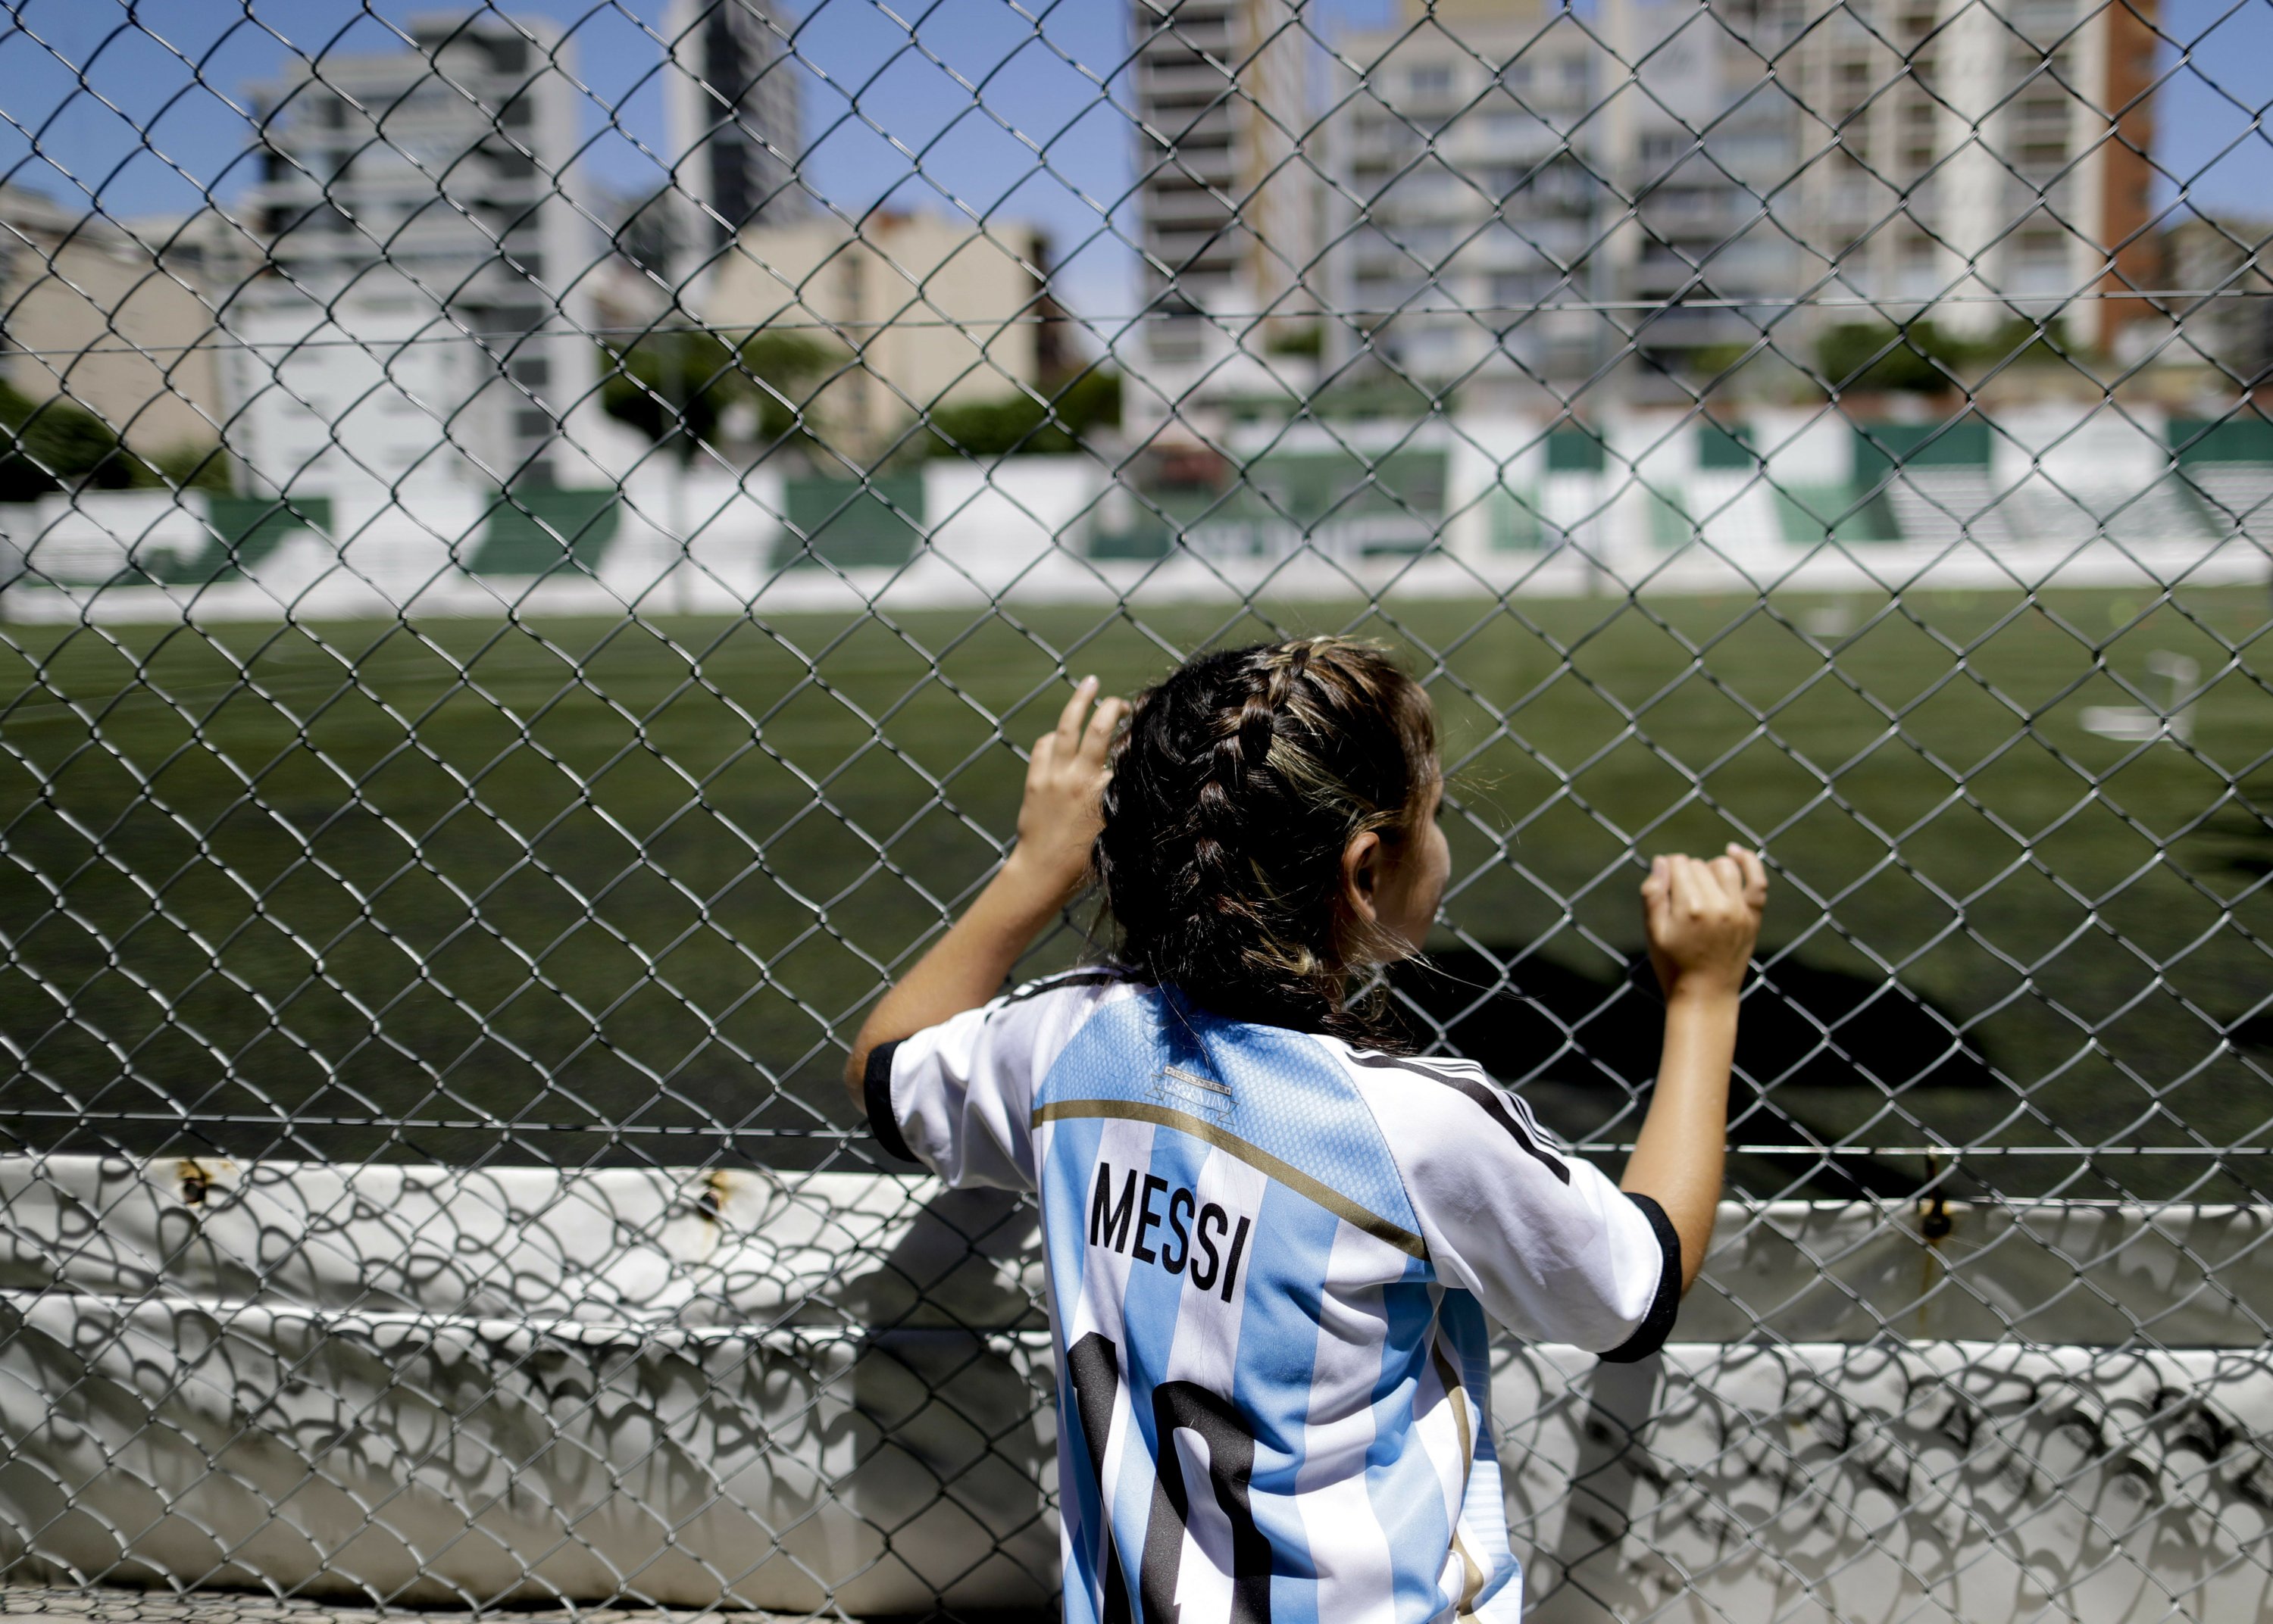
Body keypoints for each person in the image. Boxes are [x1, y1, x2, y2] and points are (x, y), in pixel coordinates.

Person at [844, 637, 1768, 1624]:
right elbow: (1641, 1284)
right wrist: (1706, 998)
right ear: (1365, 872)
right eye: (1437, 815)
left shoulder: (1068, 1043)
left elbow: (884, 1072)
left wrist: (1034, 873)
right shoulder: (1410, 1126)